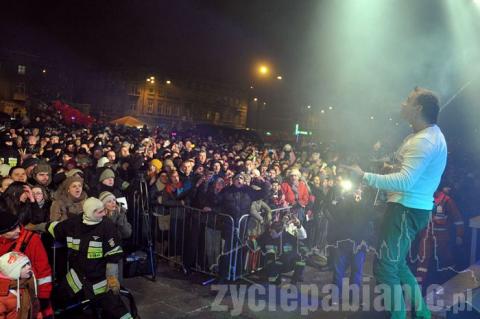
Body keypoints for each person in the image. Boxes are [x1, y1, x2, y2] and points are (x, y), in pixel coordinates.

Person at [344, 87, 447, 319]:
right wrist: (388, 165)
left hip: (405, 209)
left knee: (384, 268)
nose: (403, 104)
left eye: (407, 100)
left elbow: (405, 181)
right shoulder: (418, 136)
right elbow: (404, 168)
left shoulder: (425, 141)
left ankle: (399, 316)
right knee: (397, 264)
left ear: (418, 108)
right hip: (412, 208)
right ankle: (422, 313)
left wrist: (364, 176)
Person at [47, 197, 132, 319]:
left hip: (100, 278)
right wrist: (33, 227)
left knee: (115, 308)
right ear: (89, 212)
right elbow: (54, 228)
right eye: (100, 212)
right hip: (76, 275)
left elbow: (113, 255)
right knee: (58, 299)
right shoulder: (73, 223)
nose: (104, 213)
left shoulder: (107, 225)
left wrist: (112, 278)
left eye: (104, 210)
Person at [0, 211, 53, 318]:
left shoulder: (32, 240)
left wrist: (43, 298)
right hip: (6, 298)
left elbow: (44, 271)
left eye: (18, 225)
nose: (19, 230)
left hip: (29, 297)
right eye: (13, 229)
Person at [0, 251, 42, 319]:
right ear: (12, 272)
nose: (29, 267)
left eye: (28, 263)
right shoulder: (2, 294)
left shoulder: (28, 285)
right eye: (23, 266)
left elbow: (35, 309)